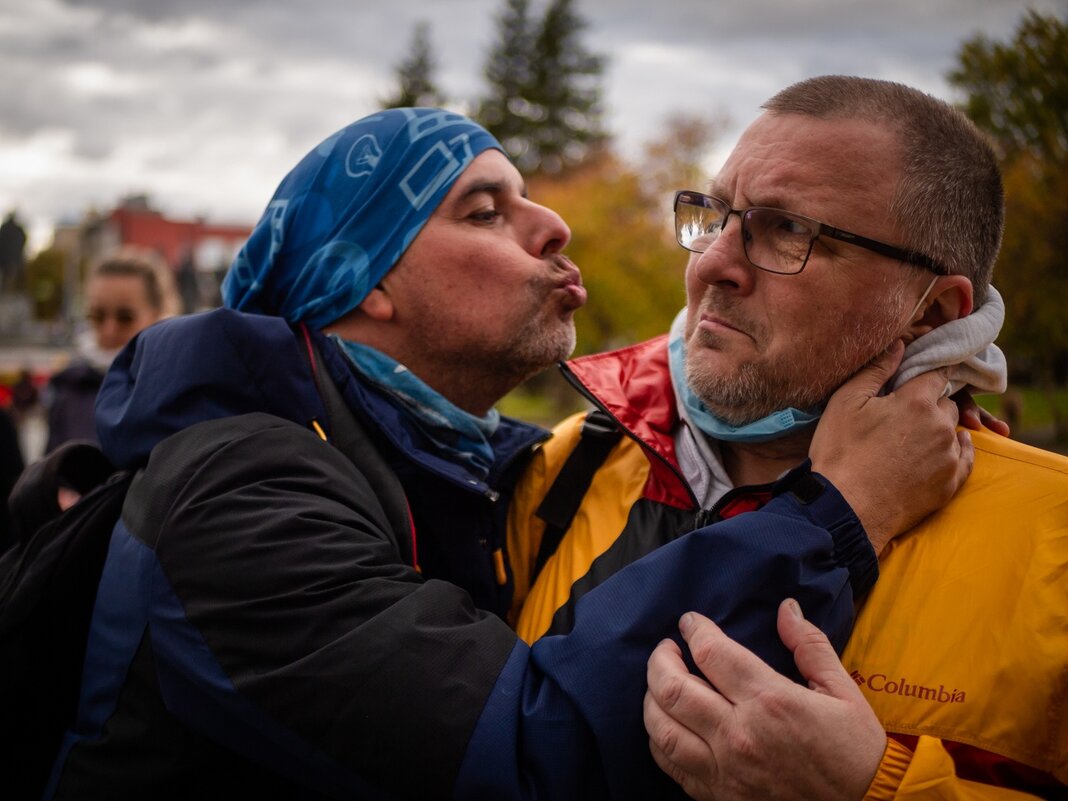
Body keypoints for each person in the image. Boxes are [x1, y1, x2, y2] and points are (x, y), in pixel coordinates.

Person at [47, 107, 970, 800]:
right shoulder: (238, 492)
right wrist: (842, 505)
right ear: (363, 283)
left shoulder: (481, 468)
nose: (554, 226)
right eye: (486, 212)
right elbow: (530, 746)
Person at [511, 76, 1068, 798]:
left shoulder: (1053, 536)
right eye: (715, 213)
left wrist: (875, 788)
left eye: (789, 230)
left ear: (930, 313)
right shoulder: (569, 464)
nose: (711, 262)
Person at [43, 248, 177, 452]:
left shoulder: (176, 389)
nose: (109, 329)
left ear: (158, 314)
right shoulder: (69, 387)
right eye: (97, 316)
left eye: (125, 317)